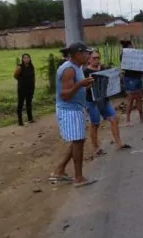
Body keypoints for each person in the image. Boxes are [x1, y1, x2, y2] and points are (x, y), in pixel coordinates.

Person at [51, 42, 97, 187]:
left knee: (78, 141)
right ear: (78, 54)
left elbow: (74, 88)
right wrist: (80, 85)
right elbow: (64, 94)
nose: (88, 56)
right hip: (69, 109)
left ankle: (60, 170)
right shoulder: (69, 69)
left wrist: (84, 85)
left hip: (75, 108)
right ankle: (78, 178)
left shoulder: (76, 68)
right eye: (86, 53)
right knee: (78, 142)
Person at [84, 50, 130, 154]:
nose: (96, 60)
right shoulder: (85, 72)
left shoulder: (103, 69)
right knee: (95, 124)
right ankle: (96, 147)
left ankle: (119, 143)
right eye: (94, 58)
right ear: (89, 60)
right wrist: (89, 86)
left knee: (114, 119)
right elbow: (82, 88)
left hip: (104, 100)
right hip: (92, 101)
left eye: (98, 58)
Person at [120, 41, 143, 126]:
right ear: (127, 48)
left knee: (139, 98)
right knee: (130, 99)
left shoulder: (136, 54)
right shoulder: (123, 56)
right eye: (131, 46)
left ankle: (142, 117)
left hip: (138, 78)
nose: (133, 47)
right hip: (130, 79)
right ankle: (127, 120)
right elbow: (125, 67)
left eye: (132, 46)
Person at [14, 53, 35, 126]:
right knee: (20, 104)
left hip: (30, 88)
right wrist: (22, 81)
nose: (26, 59)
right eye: (25, 58)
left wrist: (33, 86)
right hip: (22, 88)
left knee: (29, 103)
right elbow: (15, 76)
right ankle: (20, 121)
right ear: (22, 59)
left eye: (28, 58)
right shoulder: (20, 67)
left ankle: (30, 118)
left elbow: (33, 77)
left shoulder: (31, 66)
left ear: (30, 59)